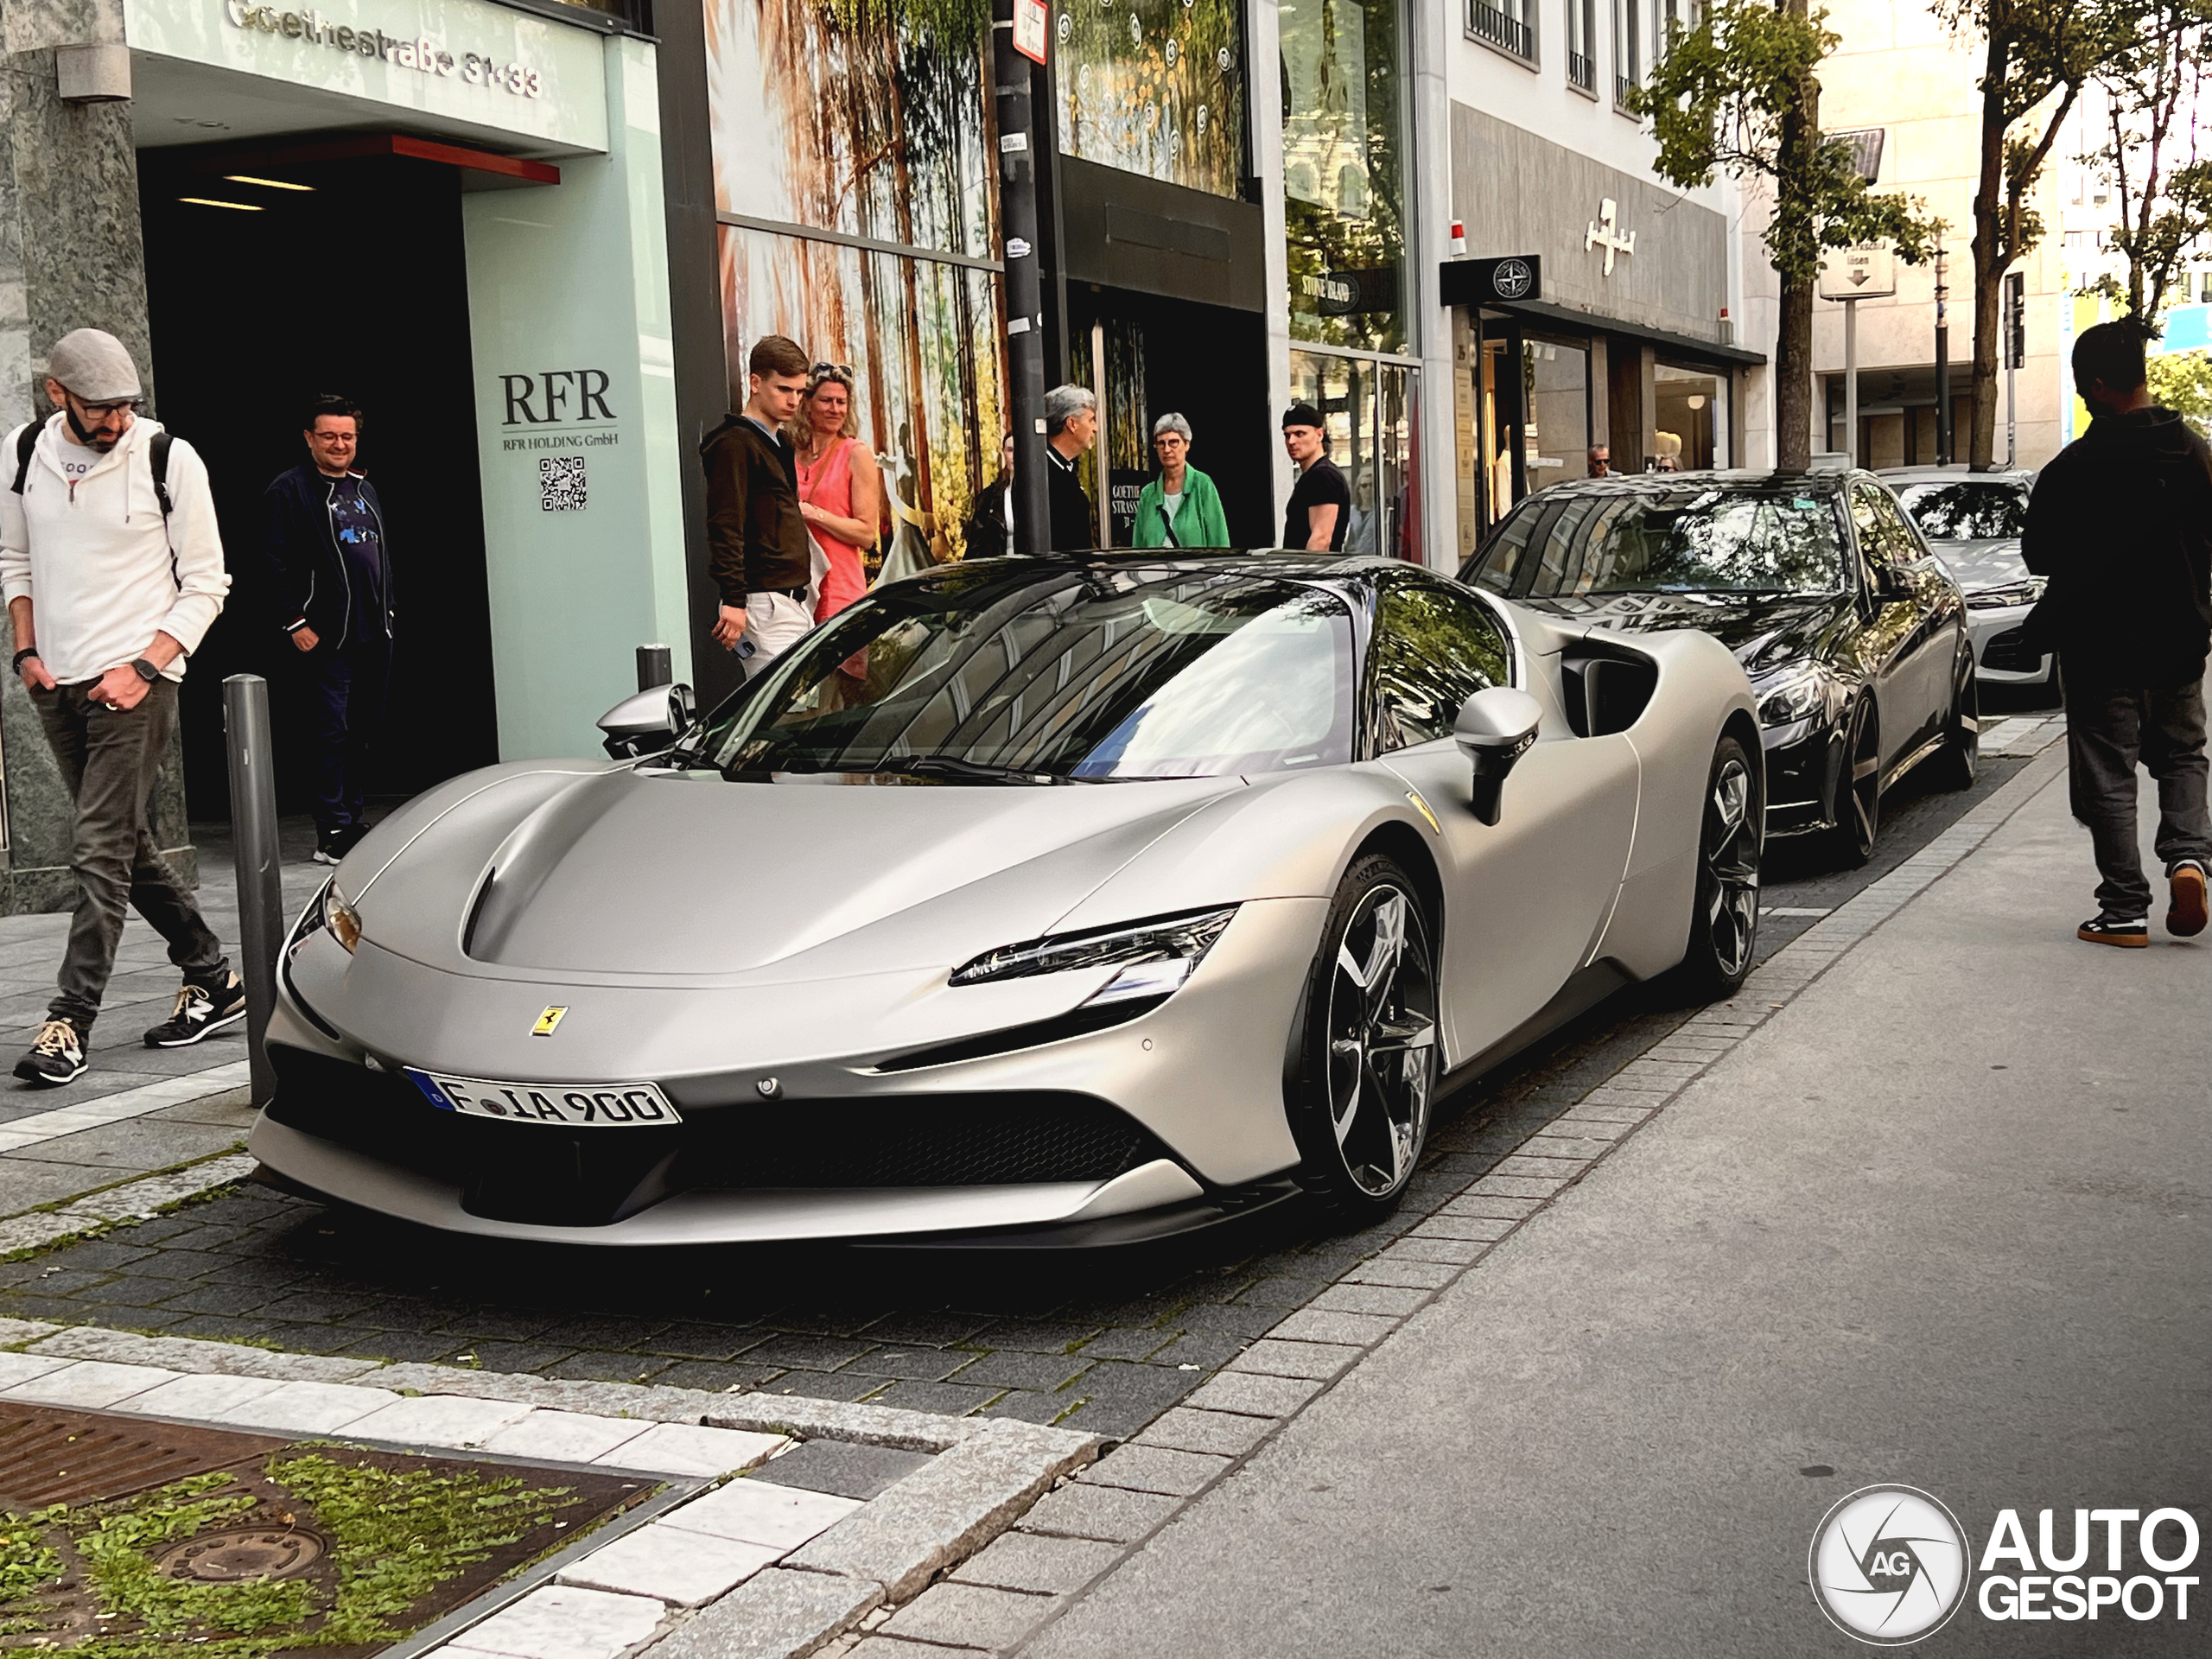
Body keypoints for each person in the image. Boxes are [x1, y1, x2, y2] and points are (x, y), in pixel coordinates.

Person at [0, 328, 242, 1085]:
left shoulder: (170, 457)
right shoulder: (22, 451)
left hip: (137, 683)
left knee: (97, 847)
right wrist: (27, 655)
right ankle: (213, 977)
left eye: (126, 406)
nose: (116, 421)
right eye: (101, 408)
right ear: (58, 395)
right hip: (56, 681)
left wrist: (145, 666)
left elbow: (207, 582)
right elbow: (16, 560)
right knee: (124, 844)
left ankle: (68, 1022)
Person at [2020, 318, 2211, 947]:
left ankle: (2124, 909)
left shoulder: (2073, 468)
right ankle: (2189, 858)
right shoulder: (2196, 454)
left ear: (2100, 387)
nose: (2079, 397)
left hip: (2102, 649)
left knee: (2109, 773)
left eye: (2082, 387)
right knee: (2183, 755)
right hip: (2180, 641)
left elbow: (2040, 555)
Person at [263, 394, 391, 865]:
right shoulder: (289, 489)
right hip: (324, 636)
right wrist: (295, 621)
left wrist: (389, 613)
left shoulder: (364, 488)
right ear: (309, 438)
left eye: (348, 436)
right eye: (330, 436)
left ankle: (351, 820)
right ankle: (331, 830)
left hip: (373, 633)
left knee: (362, 730)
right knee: (329, 733)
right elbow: (272, 563)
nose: (340, 444)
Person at [703, 335, 814, 677]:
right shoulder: (734, 443)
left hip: (790, 600)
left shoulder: (777, 442)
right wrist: (734, 600)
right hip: (764, 603)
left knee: (800, 713)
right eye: (784, 389)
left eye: (799, 391)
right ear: (755, 383)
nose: (794, 400)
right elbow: (726, 524)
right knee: (786, 718)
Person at [791, 362, 880, 625]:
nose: (835, 408)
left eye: (841, 402)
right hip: (796, 592)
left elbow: (866, 534)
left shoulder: (855, 452)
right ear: (807, 403)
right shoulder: (791, 452)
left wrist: (814, 514)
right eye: (826, 400)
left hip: (839, 590)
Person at [1130, 414, 1230, 549]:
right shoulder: (1148, 494)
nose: (1166, 449)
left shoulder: (1202, 485)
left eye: (1173, 442)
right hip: (1155, 569)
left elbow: (1219, 540)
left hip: (1194, 569)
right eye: (1161, 443)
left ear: (1187, 444)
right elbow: (1138, 546)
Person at [1281, 404, 1350, 551]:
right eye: (1287, 435)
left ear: (1319, 435)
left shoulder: (1323, 476)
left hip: (1313, 571)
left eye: (1300, 434)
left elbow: (1321, 539)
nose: (1291, 441)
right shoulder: (1314, 475)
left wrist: (1302, 573)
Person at [1045, 385, 1099, 550]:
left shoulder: (1066, 469)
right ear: (1072, 423)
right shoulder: (1043, 474)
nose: (1095, 428)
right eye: (1091, 420)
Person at [967, 433, 1015, 558]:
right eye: (1010, 450)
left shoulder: (1047, 494)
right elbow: (975, 545)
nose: (1015, 456)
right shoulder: (989, 497)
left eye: (1020, 449)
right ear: (1003, 452)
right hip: (1002, 570)